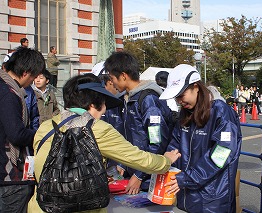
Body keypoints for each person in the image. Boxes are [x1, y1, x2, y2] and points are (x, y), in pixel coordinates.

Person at [27, 73, 181, 212]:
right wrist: (166, 161)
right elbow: (139, 159)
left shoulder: (45, 127)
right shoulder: (97, 128)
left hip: (40, 207)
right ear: (93, 105)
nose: (105, 110)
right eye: (104, 103)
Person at [161, 64, 242, 213]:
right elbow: (175, 143)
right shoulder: (185, 115)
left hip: (213, 199)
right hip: (186, 194)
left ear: (196, 87)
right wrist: (165, 159)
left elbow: (221, 154)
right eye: (176, 97)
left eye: (181, 95)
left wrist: (186, 179)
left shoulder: (221, 112)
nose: (179, 101)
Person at [104, 51, 173, 194]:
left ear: (123, 76)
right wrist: (123, 164)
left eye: (112, 78)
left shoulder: (148, 100)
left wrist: (139, 175)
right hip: (133, 176)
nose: (112, 83)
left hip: (148, 180)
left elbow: (157, 142)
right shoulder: (125, 100)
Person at [0, 47, 45, 213]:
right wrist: (42, 135)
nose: (32, 81)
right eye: (33, 76)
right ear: (26, 72)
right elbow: (16, 134)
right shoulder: (9, 93)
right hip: (10, 176)